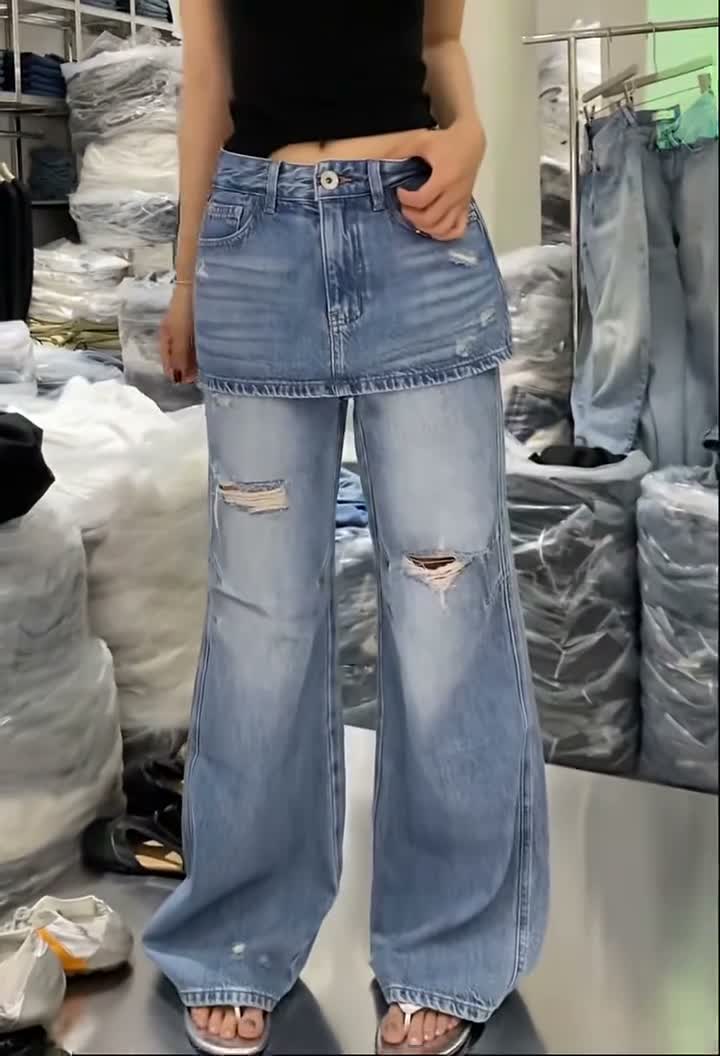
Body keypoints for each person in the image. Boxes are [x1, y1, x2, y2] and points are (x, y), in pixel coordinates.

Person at [144, 1, 549, 1053]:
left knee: (447, 605)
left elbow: (440, 43)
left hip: (415, 233)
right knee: (260, 620)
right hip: (255, 243)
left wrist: (473, 136)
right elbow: (208, 78)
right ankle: (238, 932)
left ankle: (448, 946)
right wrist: (185, 279)